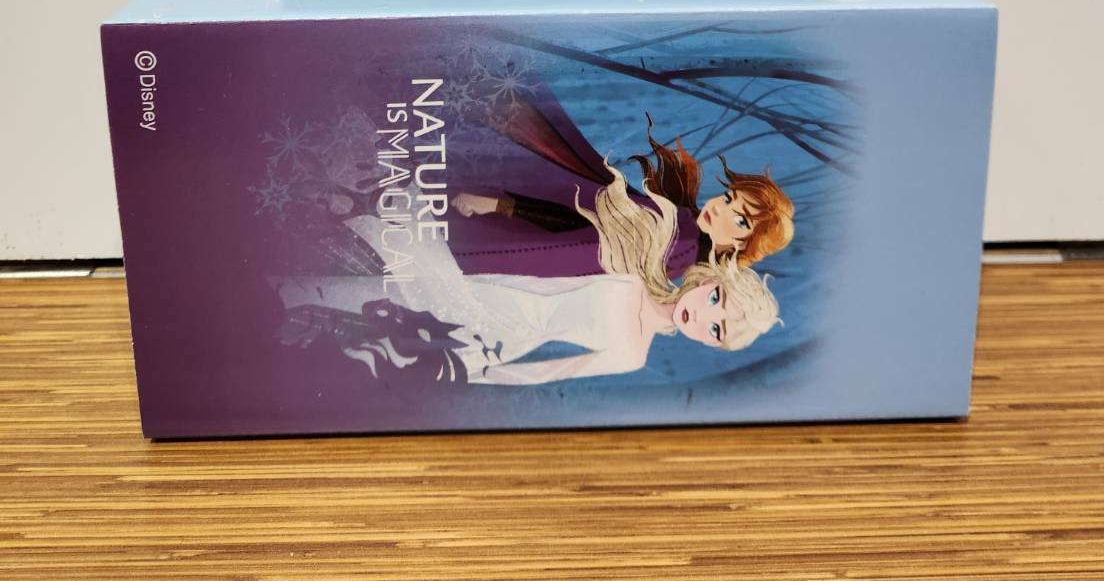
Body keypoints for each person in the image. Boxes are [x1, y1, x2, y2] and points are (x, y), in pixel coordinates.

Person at [275, 164, 781, 387]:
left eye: (717, 329)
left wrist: (480, 374)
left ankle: (298, 301)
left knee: (396, 320)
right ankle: (295, 283)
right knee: (405, 285)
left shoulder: (633, 356)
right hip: (496, 293)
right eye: (716, 301)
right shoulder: (635, 277)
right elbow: (552, 276)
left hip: (500, 339)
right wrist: (485, 272)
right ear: (711, 283)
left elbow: (550, 372)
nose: (704, 317)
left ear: (712, 344)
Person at [451, 90, 795, 275]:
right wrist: (500, 205)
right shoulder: (680, 226)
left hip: (517, 255)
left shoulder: (682, 246)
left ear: (745, 245)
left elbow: (580, 240)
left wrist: (501, 206)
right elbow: (586, 225)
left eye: (740, 220)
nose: (720, 208)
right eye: (729, 197)